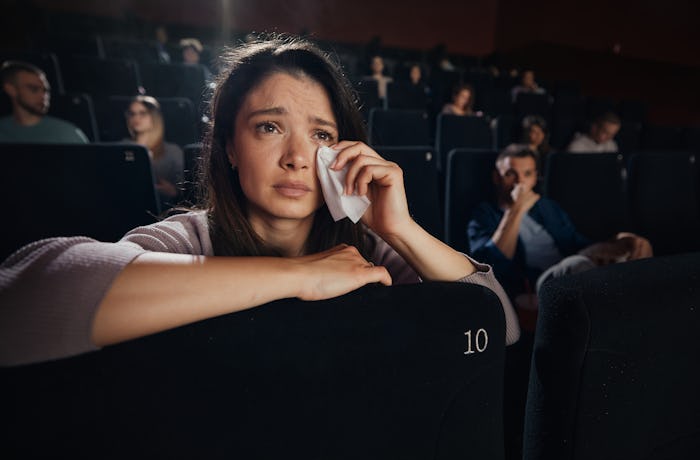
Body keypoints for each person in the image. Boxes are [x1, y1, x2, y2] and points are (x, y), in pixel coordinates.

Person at [0, 36, 519, 367]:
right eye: (269, 127)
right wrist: (298, 276)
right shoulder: (187, 239)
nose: (297, 157)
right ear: (229, 145)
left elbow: (503, 327)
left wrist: (401, 229)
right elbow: (19, 307)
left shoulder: (368, 249)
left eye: (320, 135)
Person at [468, 148, 652, 302]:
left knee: (638, 250)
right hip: (535, 285)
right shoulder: (483, 214)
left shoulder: (547, 206)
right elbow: (490, 266)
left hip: (573, 268)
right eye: (510, 174)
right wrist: (516, 209)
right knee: (579, 265)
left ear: (535, 178)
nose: (520, 182)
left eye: (527, 174)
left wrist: (618, 242)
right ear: (496, 178)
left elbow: (578, 243)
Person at [0, 61, 88, 143]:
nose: (43, 96)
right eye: (34, 89)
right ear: (11, 89)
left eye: (46, 91)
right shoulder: (3, 130)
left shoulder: (67, 133)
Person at [124, 95, 184, 207]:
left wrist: (174, 191)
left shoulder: (172, 151)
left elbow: (184, 188)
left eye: (142, 113)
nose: (136, 118)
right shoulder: (123, 147)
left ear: (154, 116)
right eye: (132, 113)